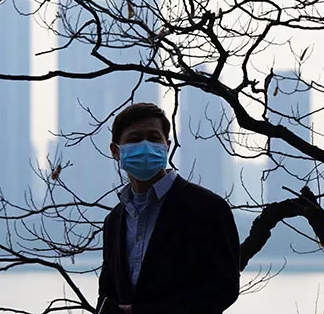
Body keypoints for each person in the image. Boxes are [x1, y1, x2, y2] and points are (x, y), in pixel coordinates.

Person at [96, 102, 240, 314]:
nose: (145, 146)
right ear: (115, 151)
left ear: (167, 146)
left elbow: (223, 288)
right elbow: (107, 291)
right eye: (135, 139)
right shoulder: (114, 220)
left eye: (154, 138)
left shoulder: (208, 208)